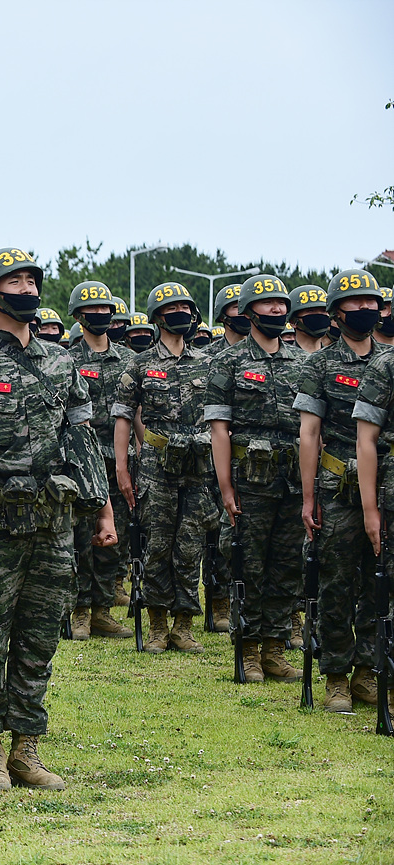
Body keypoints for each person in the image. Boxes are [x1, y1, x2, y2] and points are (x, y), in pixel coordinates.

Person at [0, 247, 116, 792]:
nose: (26, 289)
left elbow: (83, 442)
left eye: (31, 280)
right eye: (14, 281)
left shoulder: (62, 363)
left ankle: (26, 749)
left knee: (39, 636)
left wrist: (103, 508)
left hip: (53, 523)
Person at [205, 274, 305, 683]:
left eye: (282, 303)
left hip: (293, 481)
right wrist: (226, 487)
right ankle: (247, 649)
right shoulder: (227, 362)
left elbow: (310, 428)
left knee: (285, 566)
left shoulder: (302, 361)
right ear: (248, 312)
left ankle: (275, 650)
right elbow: (218, 429)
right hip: (249, 481)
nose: (278, 310)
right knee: (248, 564)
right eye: (268, 304)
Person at [113, 282, 217, 653]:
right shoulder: (139, 365)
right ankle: (157, 622)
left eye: (187, 308)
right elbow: (123, 418)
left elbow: (220, 421)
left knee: (190, 547)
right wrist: (124, 469)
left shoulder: (207, 363)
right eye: (174, 308)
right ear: (158, 316)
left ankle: (184, 623)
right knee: (157, 545)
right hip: (156, 466)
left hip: (197, 466)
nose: (183, 314)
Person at [317, 268, 388, 710]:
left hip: (387, 487)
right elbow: (309, 434)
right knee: (337, 582)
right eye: (355, 303)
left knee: (379, 585)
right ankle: (336, 676)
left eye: (371, 302)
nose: (365, 309)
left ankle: (367, 671)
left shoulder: (388, 360)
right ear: (336, 314)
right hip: (338, 488)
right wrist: (309, 498)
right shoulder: (320, 365)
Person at [66, 281, 131, 641]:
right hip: (79, 460)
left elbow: (137, 412)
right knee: (79, 536)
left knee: (110, 536)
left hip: (118, 458)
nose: (101, 315)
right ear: (78, 315)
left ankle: (103, 610)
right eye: (92, 310)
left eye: (106, 309)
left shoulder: (128, 360)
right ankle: (78, 611)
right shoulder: (67, 360)